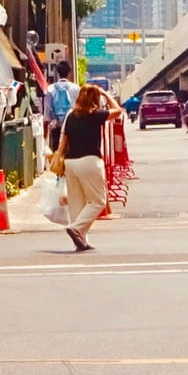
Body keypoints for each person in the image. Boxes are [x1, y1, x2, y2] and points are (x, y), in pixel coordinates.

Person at [57, 84, 115, 252]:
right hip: (89, 161)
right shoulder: (95, 115)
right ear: (95, 99)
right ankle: (76, 229)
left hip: (70, 162)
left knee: (77, 203)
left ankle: (81, 240)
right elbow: (118, 110)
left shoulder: (70, 115)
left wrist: (59, 159)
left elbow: (63, 141)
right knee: (98, 201)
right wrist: (105, 93)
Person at [44, 73, 76, 149]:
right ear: (68, 73)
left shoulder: (50, 88)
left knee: (57, 149)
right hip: (73, 125)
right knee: (72, 149)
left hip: (56, 125)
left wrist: (46, 128)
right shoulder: (75, 88)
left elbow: (47, 110)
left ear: (58, 73)